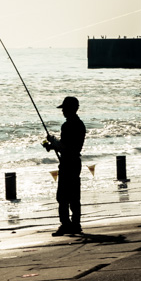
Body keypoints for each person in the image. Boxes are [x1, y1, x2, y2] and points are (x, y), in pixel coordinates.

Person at [43, 96, 87, 236]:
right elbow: (69, 146)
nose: (63, 112)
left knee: (62, 196)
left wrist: (53, 143)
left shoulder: (68, 125)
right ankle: (75, 224)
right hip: (75, 161)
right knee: (74, 195)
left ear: (71, 109)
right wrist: (54, 145)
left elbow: (65, 147)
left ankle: (66, 224)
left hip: (68, 162)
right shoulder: (80, 124)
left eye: (64, 109)